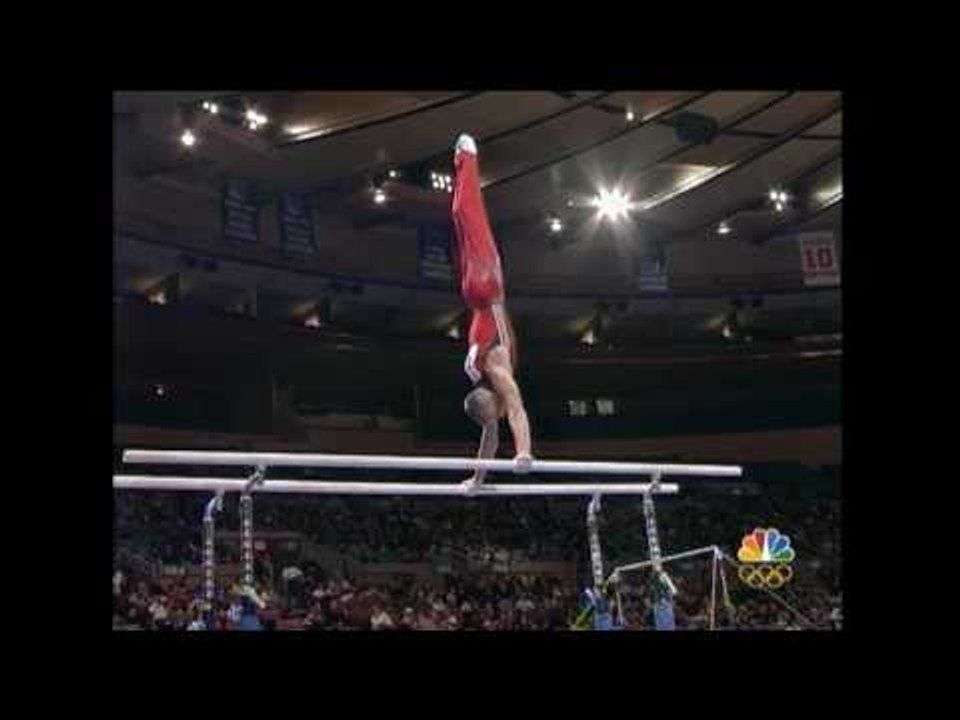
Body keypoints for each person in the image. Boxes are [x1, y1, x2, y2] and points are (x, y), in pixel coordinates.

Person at [451, 133, 533, 492]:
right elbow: (491, 441)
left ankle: (468, 157)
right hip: (475, 292)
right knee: (460, 215)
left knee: (468, 214)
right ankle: (463, 160)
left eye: (491, 417)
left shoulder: (500, 377)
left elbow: (516, 412)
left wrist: (525, 452)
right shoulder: (485, 384)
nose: (494, 422)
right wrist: (479, 478)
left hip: (487, 288)